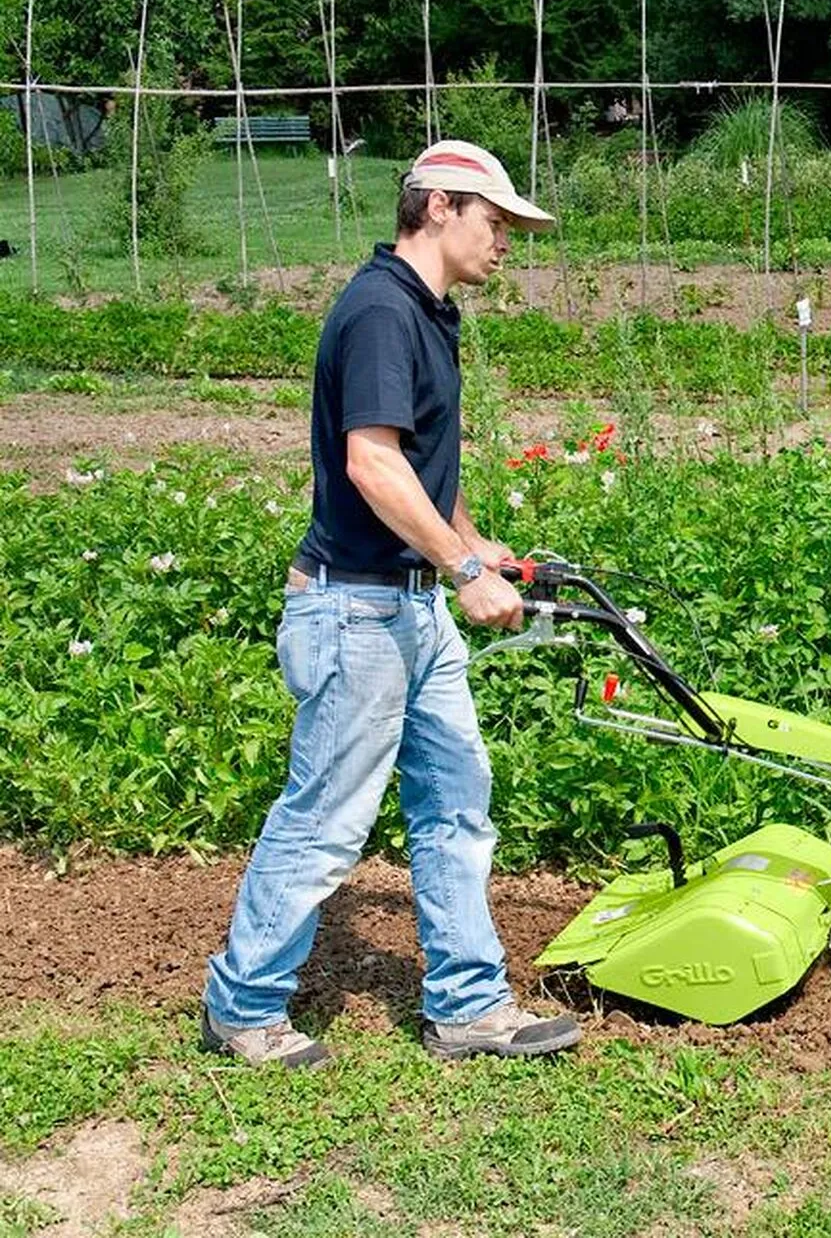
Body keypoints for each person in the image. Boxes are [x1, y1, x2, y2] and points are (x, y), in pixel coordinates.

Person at [202, 141, 581, 1068]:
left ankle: (467, 1005)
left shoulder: (428, 311)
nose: (507, 244)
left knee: (457, 802)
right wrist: (462, 569)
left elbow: (414, 466)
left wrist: (476, 543)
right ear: (441, 207)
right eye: (497, 223)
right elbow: (370, 462)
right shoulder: (379, 310)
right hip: (354, 613)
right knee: (327, 819)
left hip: (410, 609)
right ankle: (242, 1005)